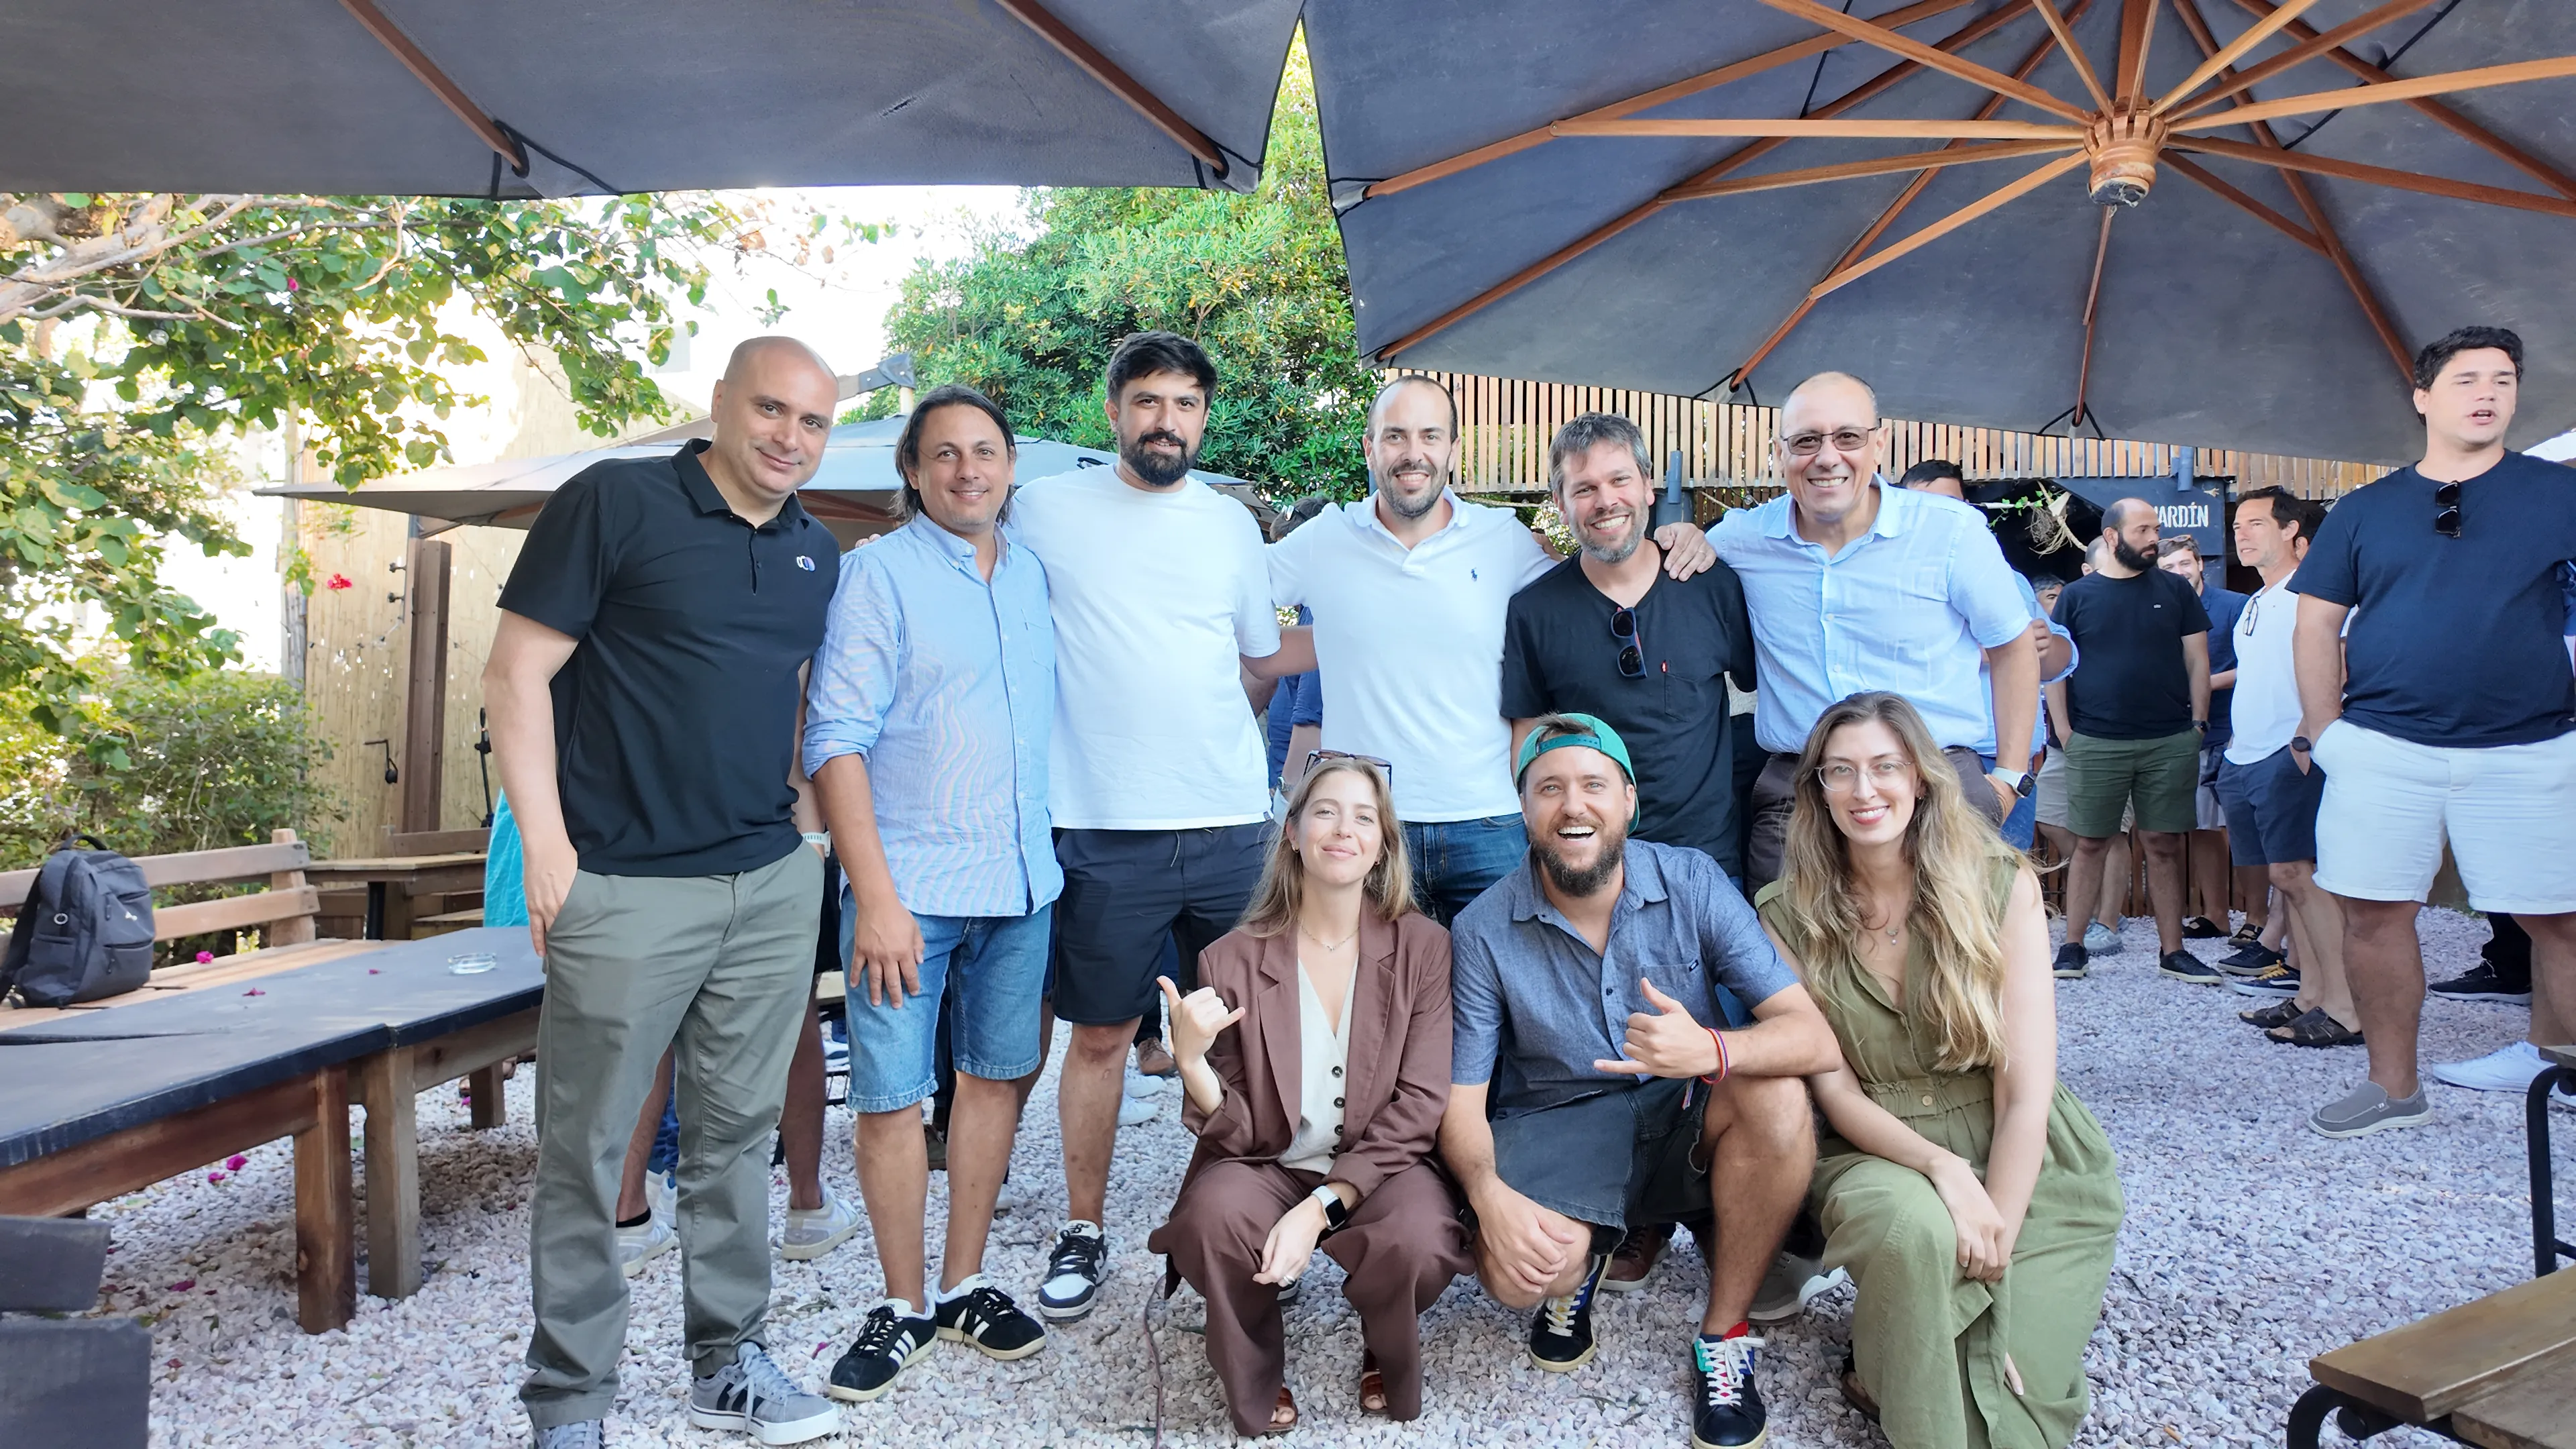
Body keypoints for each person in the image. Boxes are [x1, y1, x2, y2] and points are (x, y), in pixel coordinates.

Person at [486, 336, 845, 1447]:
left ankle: (726, 1361)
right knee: (588, 1156)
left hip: (767, 884)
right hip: (628, 887)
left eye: (813, 423)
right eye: (771, 410)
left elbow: (787, 694)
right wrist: (546, 847)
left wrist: (807, 828)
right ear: (721, 404)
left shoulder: (813, 551)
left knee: (738, 1143)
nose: (789, 438)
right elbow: (515, 673)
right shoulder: (614, 502)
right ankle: (571, 1403)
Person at [1443, 714, 1839, 1449]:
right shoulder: (1481, 928)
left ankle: (1724, 1332)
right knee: (1516, 1280)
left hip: (1686, 1110)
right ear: (1524, 809)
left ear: (1629, 800)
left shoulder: (1690, 880)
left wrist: (1709, 1048)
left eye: (1594, 784)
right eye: (1549, 788)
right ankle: (1586, 1251)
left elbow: (1810, 1036)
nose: (1573, 805)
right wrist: (1487, 1197)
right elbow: (1461, 1103)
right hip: (1562, 1130)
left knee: (1776, 1091)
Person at [1007, 331, 1287, 1320]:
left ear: (1205, 417)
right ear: (1113, 409)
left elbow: (1258, 658)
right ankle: (1084, 1230)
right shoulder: (1042, 509)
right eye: (1148, 402)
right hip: (1100, 822)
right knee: (1099, 1036)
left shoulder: (1229, 527)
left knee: (1250, 1040)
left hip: (1227, 825)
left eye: (1186, 405)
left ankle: (1247, 1215)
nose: (1166, 421)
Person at [1756, 692, 2123, 1446]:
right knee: (1919, 1246)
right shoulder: (1785, 912)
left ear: (1921, 777)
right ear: (1817, 790)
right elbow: (1836, 1087)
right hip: (1879, 1146)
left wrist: (1997, 1238)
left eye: (1885, 767)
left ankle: (1884, 1356)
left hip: (2029, 1153)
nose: (1865, 791)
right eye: (1841, 773)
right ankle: (1896, 1354)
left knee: (2014, 1405)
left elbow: (2025, 1091)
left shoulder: (1999, 884)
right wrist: (1944, 1171)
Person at [802, 384, 1061, 1399]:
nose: (968, 470)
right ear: (912, 471)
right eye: (944, 454)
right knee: (891, 1096)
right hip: (906, 887)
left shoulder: (1035, 575)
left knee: (996, 1079)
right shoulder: (877, 577)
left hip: (1022, 880)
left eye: (985, 451)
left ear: (1009, 466)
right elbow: (835, 738)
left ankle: (963, 1285)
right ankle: (902, 1302)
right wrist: (874, 896)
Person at [1273, 380, 1718, 922]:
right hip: (1372, 824)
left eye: (1430, 435)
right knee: (1376, 1000)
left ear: (1454, 451)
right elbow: (1224, 605)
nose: (1414, 452)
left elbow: (1594, 580)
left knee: (1504, 998)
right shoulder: (1326, 538)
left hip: (1491, 824)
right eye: (1395, 436)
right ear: (1369, 448)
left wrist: (1681, 539)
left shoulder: (1502, 537)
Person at [2293, 326, 2576, 1138]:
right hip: (2384, 746)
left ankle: (2567, 1074)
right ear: (2423, 398)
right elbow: (2316, 626)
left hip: (2533, 746)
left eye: (2504, 379)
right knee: (2375, 916)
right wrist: (2327, 733)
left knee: (2561, 917)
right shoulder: (2363, 508)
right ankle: (2393, 1088)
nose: (2488, 393)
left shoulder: (2559, 494)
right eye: (2465, 380)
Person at [1147, 758, 1471, 1434]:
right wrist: (1190, 1061)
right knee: (1213, 1218)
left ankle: (1386, 1346)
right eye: (1325, 812)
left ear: (1383, 843)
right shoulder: (1230, 959)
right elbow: (1235, 1133)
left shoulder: (1424, 948)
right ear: (1292, 831)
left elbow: (1418, 1107)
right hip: (1271, 1162)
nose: (1343, 830)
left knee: (1421, 1238)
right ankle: (1256, 1374)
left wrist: (1319, 1211)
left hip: (1382, 1166)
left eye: (1364, 817)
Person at [1711, 372, 2039, 888]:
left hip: (1934, 782)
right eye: (1806, 440)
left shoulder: (1950, 531)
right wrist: (1679, 533)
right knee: (1787, 961)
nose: (1827, 456)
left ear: (1879, 444)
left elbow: (2014, 647)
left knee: (1953, 959)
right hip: (1801, 792)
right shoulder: (1741, 540)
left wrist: (2009, 778)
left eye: (1847, 437)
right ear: (1780, 452)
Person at [1501, 411, 1753, 880]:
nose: (1606, 501)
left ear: (1647, 485)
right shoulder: (1534, 611)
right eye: (1584, 489)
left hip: (1707, 865)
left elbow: (1763, 688)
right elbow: (1527, 739)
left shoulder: (1710, 585)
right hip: (1591, 867)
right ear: (1559, 502)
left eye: (1619, 480)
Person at [2212, 488, 2361, 1047]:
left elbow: (2343, 665)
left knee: (2304, 876)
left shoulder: (2314, 595)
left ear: (2294, 532)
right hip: (2248, 753)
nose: (2241, 534)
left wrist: (2306, 738)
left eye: (2255, 524)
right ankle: (2310, 996)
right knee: (2286, 878)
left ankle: (2346, 1006)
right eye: (2238, 525)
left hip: (2290, 751)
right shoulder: (2257, 601)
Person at [2047, 498, 2213, 984]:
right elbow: (2057, 667)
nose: (2153, 538)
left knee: (2162, 845)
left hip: (2169, 739)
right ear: (2114, 537)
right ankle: (2073, 947)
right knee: (2091, 843)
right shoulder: (2077, 596)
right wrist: (2064, 732)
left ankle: (2173, 951)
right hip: (2096, 740)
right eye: (2143, 530)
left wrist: (2197, 725)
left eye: (2155, 529)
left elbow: (2198, 661)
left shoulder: (2177, 590)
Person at [1895, 460, 2078, 852]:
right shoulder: (1887, 577)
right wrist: (2001, 652)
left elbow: (2058, 661)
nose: (1943, 516)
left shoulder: (2004, 576)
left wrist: (2047, 646)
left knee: (2005, 891)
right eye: (1928, 505)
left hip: (2005, 762)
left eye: (1954, 504)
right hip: (1924, 759)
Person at [2155, 537, 2261, 943]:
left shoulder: (2235, 606)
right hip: (2182, 735)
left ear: (2200, 565)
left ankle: (2257, 919)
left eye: (2185, 563)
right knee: (2202, 829)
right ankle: (2216, 916)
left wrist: (2199, 686)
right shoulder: (2158, 610)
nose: (2179, 572)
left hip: (2233, 731)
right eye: (2169, 567)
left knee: (2242, 830)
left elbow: (2254, 666)